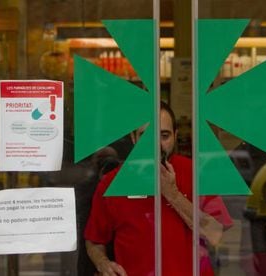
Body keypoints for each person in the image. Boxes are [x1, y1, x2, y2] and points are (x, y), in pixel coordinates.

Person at [84, 102, 232, 276]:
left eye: (164, 135)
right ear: (133, 138)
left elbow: (215, 234)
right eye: (146, 135)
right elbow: (94, 240)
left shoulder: (195, 174)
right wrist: (103, 264)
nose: (155, 144)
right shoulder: (112, 182)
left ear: (175, 136)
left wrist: (173, 195)